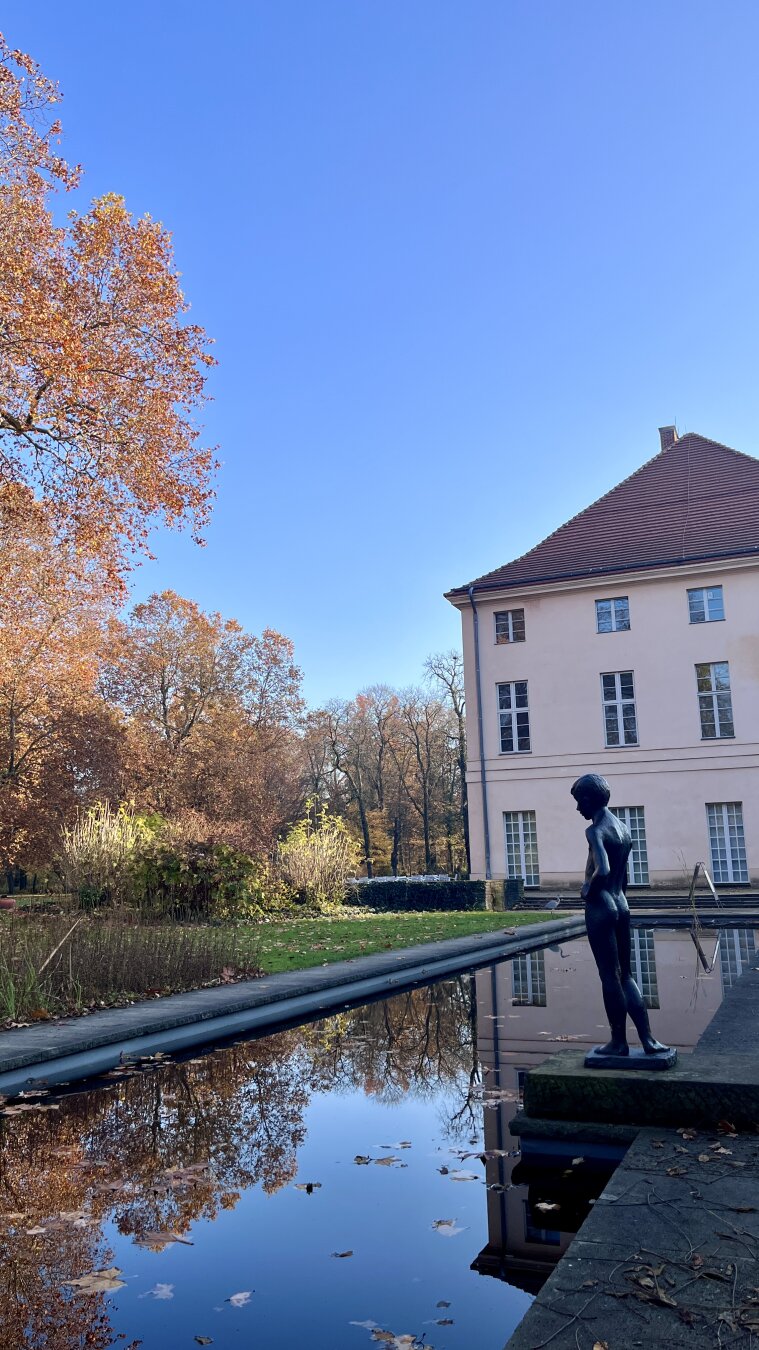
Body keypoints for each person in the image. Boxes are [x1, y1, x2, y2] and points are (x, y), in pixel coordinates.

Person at [570, 773, 668, 1057]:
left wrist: (587, 888)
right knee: (626, 974)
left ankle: (618, 1042)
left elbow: (603, 869)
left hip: (601, 906)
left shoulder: (595, 830)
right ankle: (649, 1040)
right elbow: (622, 876)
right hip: (622, 904)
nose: (579, 809)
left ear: (589, 800)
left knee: (609, 977)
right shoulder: (624, 828)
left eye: (579, 802)